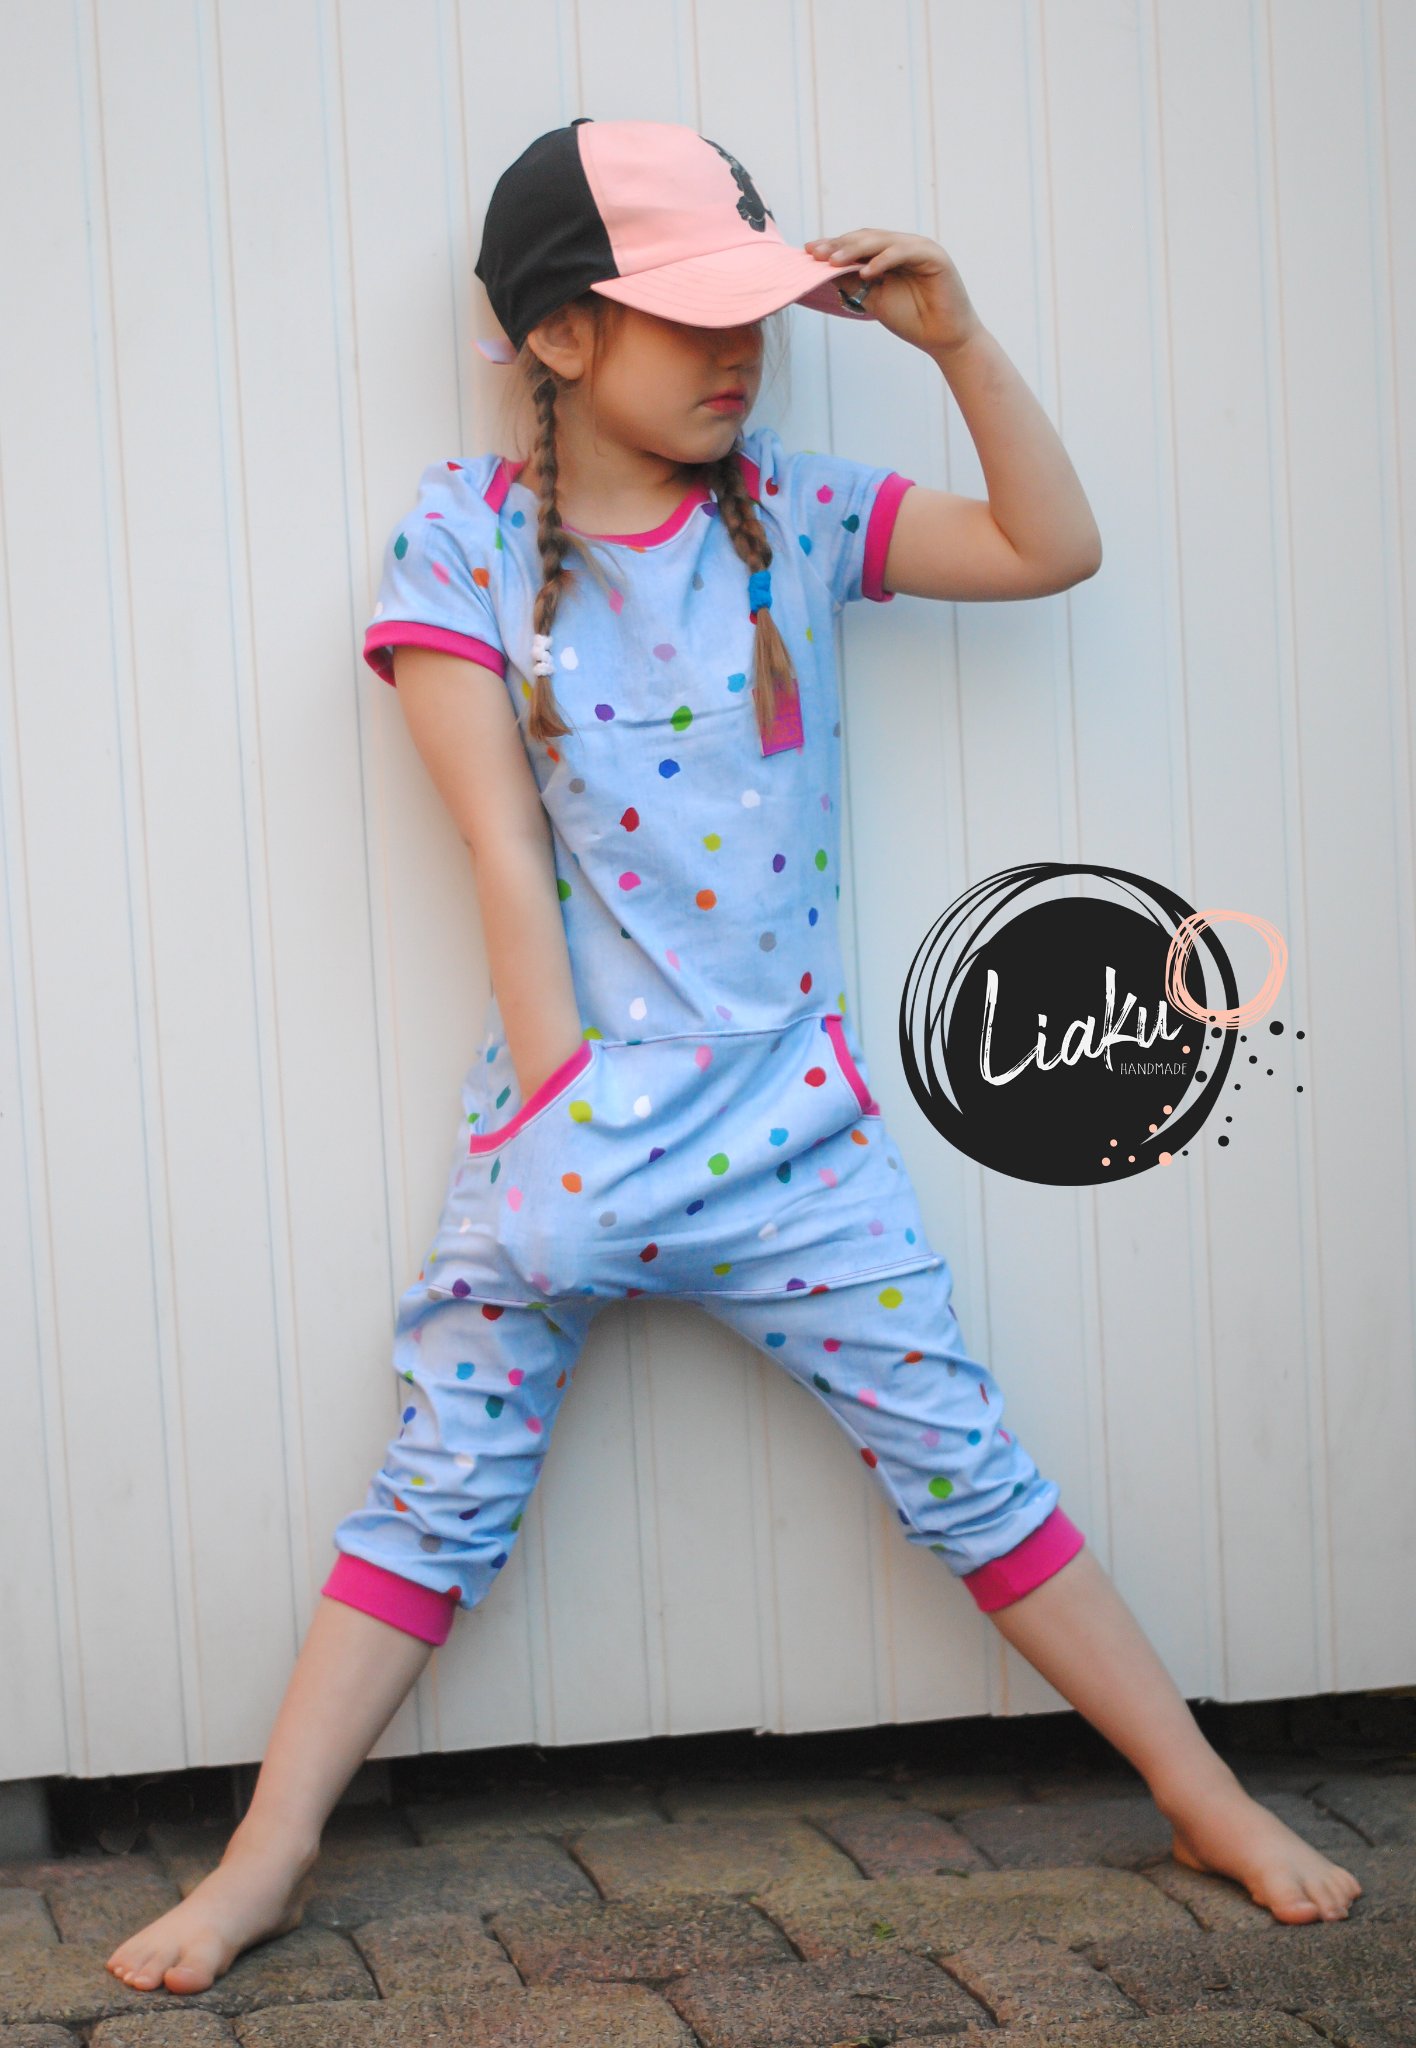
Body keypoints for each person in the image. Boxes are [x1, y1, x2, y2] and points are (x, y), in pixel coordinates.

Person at [106, 117, 1359, 1997]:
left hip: (795, 1128)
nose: (737, 352)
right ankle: (264, 1858)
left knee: (963, 1457)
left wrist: (955, 341)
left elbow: (1054, 548)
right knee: (442, 1484)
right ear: (558, 334)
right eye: (688, 316)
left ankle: (1201, 1791)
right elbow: (500, 852)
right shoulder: (460, 539)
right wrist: (557, 1130)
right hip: (569, 1116)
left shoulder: (799, 512)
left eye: (754, 313)